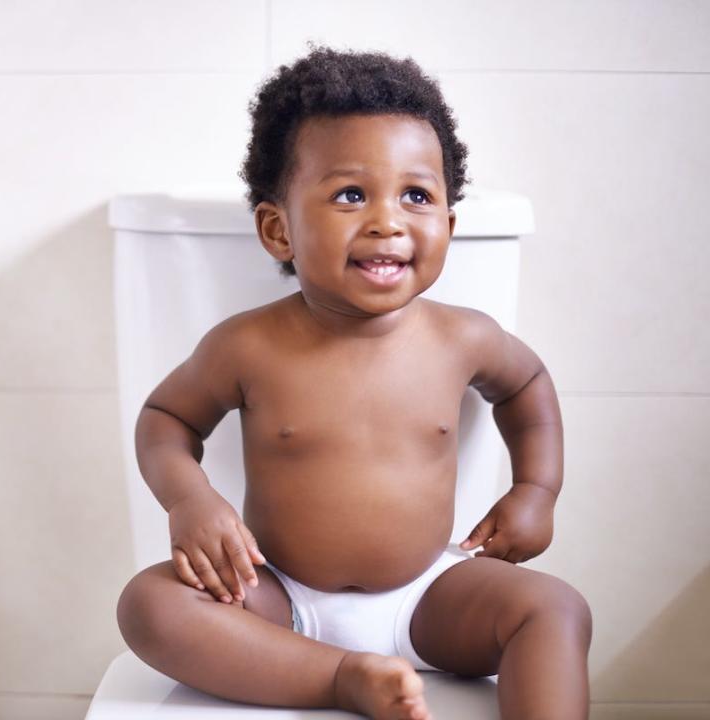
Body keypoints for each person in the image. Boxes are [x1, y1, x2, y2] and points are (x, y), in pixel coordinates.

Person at [116, 47, 591, 720]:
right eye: (350, 195)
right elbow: (166, 418)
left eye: (417, 196)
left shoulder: (464, 338)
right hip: (276, 598)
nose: (387, 221)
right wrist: (189, 501)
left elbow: (527, 387)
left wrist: (536, 490)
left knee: (556, 609)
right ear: (278, 230)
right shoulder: (247, 345)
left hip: (430, 594)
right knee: (149, 606)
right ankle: (340, 678)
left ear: (448, 226)